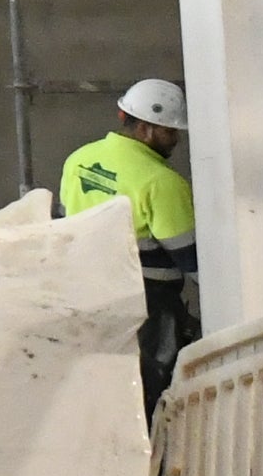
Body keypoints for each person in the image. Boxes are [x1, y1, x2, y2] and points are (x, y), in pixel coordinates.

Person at [60, 75, 199, 406]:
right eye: (169, 131)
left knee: (97, 388)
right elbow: (193, 261)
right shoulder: (162, 182)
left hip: (83, 291)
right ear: (145, 129)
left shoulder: (78, 159)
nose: (175, 139)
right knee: (149, 389)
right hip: (146, 302)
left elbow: (64, 220)